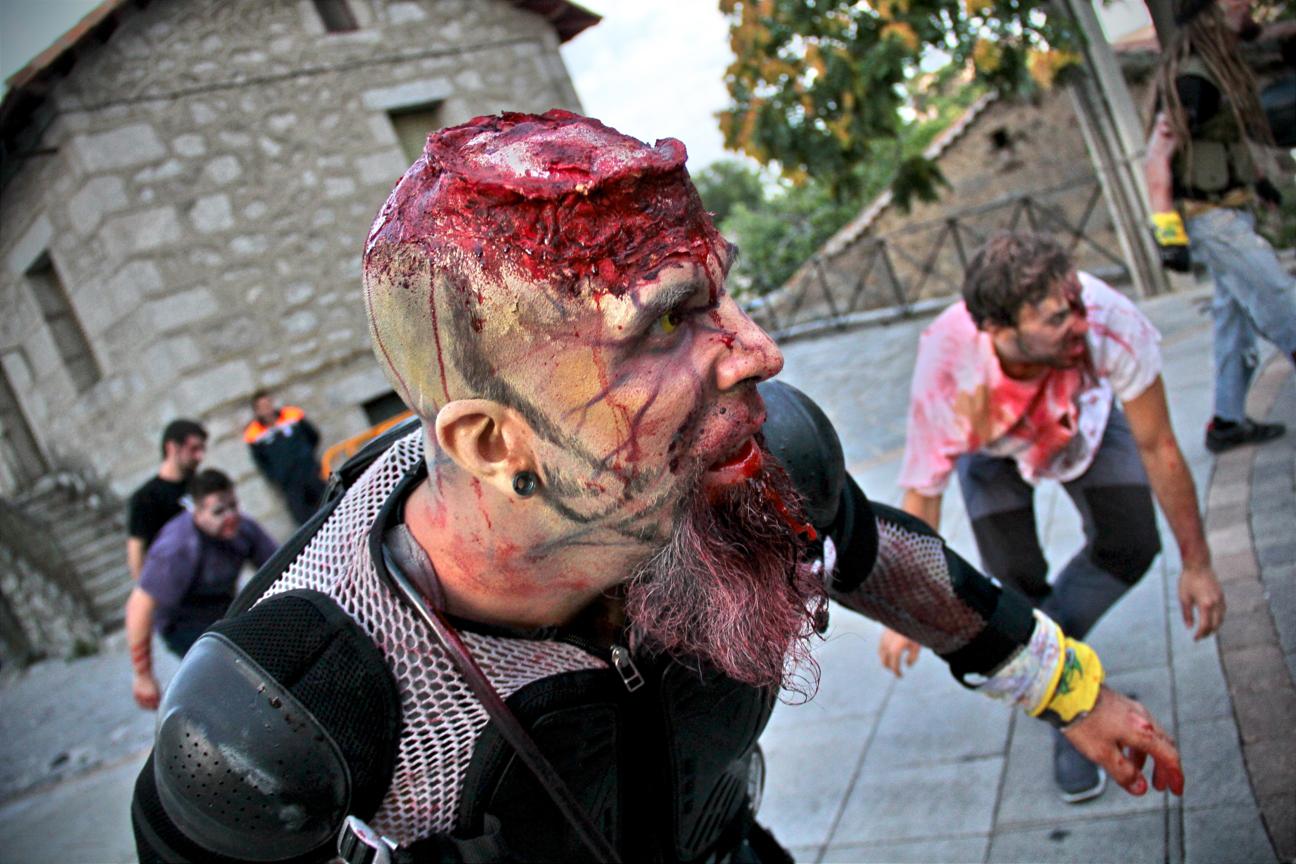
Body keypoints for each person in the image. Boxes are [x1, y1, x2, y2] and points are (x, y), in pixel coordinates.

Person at [131, 112, 1185, 864]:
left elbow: (872, 554)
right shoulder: (278, 717)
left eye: (724, 294)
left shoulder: (758, 458)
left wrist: (1067, 688)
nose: (760, 351)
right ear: (493, 441)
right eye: (669, 322)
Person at [877, 230, 1225, 804]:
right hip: (991, 446)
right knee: (1015, 580)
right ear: (997, 329)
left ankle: (1045, 661)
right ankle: (1073, 707)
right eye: (1056, 318)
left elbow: (1159, 444)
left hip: (1081, 427)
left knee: (1131, 545)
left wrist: (1199, 564)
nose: (1079, 323)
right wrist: (900, 607)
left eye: (1075, 303)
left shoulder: (1107, 318)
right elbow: (923, 496)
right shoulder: (948, 363)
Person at [1145, 0, 1296, 453]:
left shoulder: (1216, 67)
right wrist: (1168, 236)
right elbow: (1157, 158)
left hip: (1229, 208)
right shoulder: (1193, 80)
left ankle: (1226, 421)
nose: (1249, 6)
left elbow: (1223, 141)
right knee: (1279, 299)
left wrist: (1259, 181)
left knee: (1233, 321)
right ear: (1217, 12)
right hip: (1211, 219)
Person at [124, 469, 277, 710]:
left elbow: (279, 564)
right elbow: (139, 607)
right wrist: (143, 675)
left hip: (222, 609)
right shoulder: (177, 548)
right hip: (182, 624)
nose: (230, 516)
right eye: (218, 511)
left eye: (233, 506)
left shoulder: (243, 529)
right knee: (232, 676)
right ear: (197, 512)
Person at [125, 419, 207, 581]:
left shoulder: (200, 485)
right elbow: (136, 556)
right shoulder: (146, 497)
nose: (199, 456)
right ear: (172, 448)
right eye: (193, 449)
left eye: (202, 449)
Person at [244, 389, 327, 524]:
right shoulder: (254, 433)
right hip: (289, 483)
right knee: (305, 520)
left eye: (268, 404)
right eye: (262, 407)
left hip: (310, 472)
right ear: (257, 411)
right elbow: (261, 463)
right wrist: (277, 477)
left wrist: (307, 456)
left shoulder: (291, 415)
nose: (267, 409)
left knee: (327, 502)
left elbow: (313, 436)